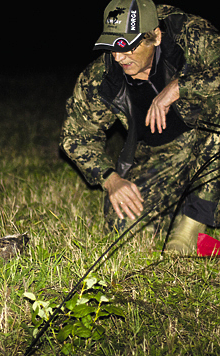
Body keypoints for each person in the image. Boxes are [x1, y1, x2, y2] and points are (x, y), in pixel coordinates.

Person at [60, 0, 220, 254]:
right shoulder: (103, 77)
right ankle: (188, 217)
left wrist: (179, 87)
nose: (118, 56)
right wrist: (110, 179)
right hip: (162, 153)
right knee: (123, 228)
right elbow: (77, 135)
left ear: (155, 36)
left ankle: (192, 225)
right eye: (112, 46)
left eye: (126, 46)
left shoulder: (190, 35)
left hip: (209, 138)